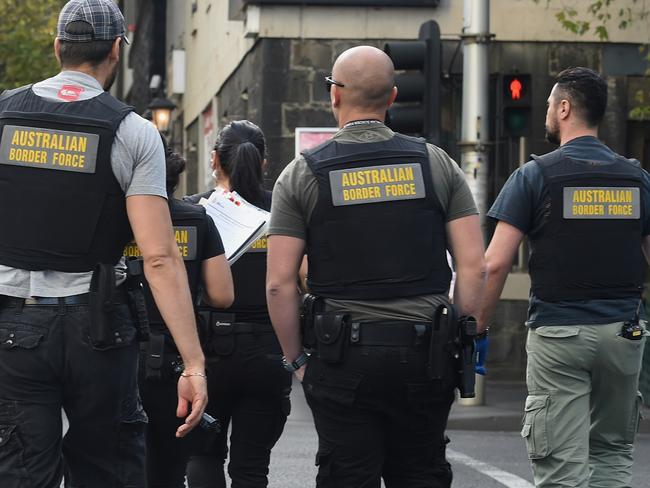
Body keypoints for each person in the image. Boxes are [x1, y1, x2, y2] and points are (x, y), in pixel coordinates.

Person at [0, 1, 207, 486]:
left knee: (20, 472)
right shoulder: (133, 132)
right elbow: (158, 256)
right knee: (107, 469)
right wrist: (193, 362)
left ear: (57, 48)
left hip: (13, 326)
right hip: (99, 326)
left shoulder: (3, 114)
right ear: (116, 50)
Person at [266, 46, 486, 488]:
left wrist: (297, 361)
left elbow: (279, 284)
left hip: (341, 358)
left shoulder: (301, 175)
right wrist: (455, 338)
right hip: (426, 358)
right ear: (393, 98)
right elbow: (474, 268)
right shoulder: (436, 164)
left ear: (334, 97)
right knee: (422, 473)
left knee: (347, 475)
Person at [478, 67, 649, 488]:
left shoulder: (535, 175)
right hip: (623, 334)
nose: (547, 114)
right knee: (611, 454)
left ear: (566, 108)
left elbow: (495, 263)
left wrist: (477, 326)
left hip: (560, 335)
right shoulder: (637, 178)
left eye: (551, 106)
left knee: (560, 467)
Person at [184, 120, 292, 488]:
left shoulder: (194, 213)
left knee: (202, 454)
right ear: (263, 163)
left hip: (208, 351)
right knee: (252, 468)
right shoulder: (284, 213)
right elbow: (304, 278)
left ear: (215, 159)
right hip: (268, 352)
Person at [136, 141, 234, 488]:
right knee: (169, 464)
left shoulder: (117, 220)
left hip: (120, 350)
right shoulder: (197, 219)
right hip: (174, 357)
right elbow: (223, 294)